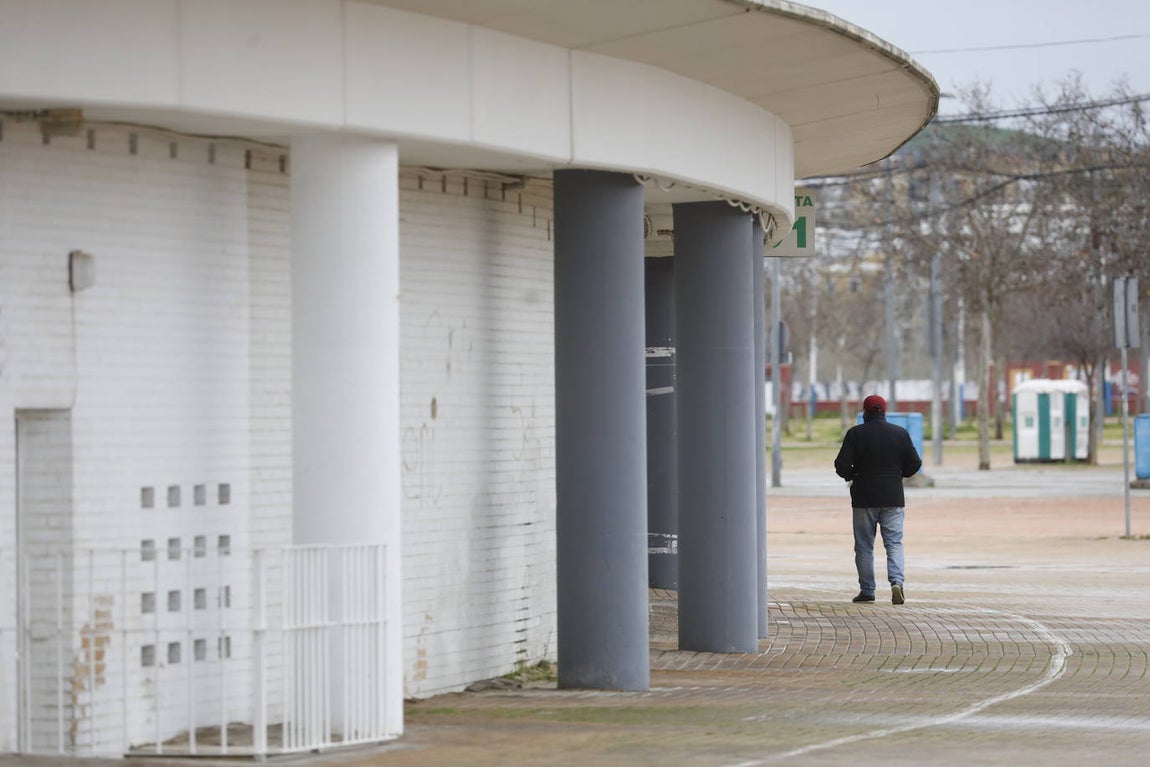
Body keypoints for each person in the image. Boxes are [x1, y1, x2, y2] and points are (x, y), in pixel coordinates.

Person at [833, 394, 922, 605]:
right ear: (884, 410)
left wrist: (853, 475)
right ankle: (897, 583)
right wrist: (898, 474)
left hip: (864, 497)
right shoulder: (899, 433)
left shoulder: (855, 434)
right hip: (893, 497)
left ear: (865, 411)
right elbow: (915, 463)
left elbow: (840, 465)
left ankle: (867, 590)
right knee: (894, 543)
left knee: (864, 546)